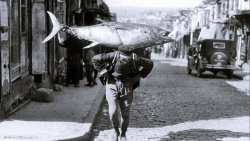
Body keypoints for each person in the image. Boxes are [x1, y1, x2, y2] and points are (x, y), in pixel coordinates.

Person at [92, 45, 154, 141]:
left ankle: (123, 134)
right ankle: (116, 132)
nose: (126, 61)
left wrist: (139, 75)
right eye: (123, 59)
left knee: (125, 113)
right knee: (112, 112)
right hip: (112, 85)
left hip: (127, 86)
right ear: (119, 54)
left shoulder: (135, 58)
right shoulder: (113, 55)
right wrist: (105, 73)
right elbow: (95, 59)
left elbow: (149, 63)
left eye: (127, 59)